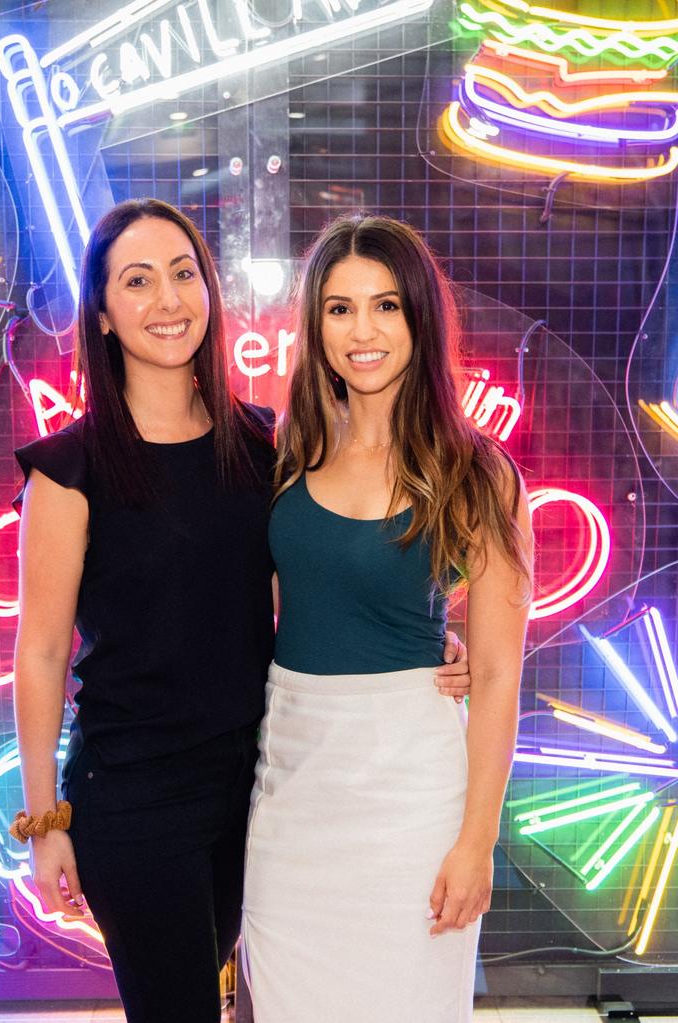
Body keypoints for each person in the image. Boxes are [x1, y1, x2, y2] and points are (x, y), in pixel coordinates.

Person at [10, 198, 472, 1023]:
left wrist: (433, 637)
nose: (168, 300)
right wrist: (45, 820)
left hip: (256, 788)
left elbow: (314, 575)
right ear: (104, 314)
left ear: (210, 291)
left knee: (250, 1000)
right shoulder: (68, 471)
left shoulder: (264, 443)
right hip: (135, 800)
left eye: (184, 274)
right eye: (138, 281)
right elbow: (40, 653)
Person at [242, 215, 533, 1023]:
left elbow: (502, 671)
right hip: (291, 787)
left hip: (412, 792)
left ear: (420, 319)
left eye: (385, 306)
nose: (361, 331)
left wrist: (477, 841)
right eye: (339, 309)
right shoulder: (286, 452)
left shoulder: (478, 473)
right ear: (315, 324)